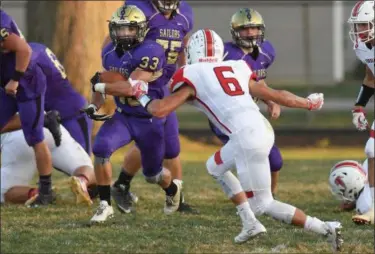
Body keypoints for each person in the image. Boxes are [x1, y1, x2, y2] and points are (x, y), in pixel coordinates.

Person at [129, 29, 343, 251]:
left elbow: (160, 110)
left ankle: (326, 228)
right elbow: (276, 94)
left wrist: (140, 95)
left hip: (245, 139)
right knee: (214, 166)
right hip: (262, 129)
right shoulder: (236, 67)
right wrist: (307, 103)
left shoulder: (191, 74)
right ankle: (248, 222)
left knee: (264, 205)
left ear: (192, 51)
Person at [85, 5, 182, 223]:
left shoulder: (151, 51)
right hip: (124, 115)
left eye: (129, 29)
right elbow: (103, 80)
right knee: (100, 148)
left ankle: (172, 190)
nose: (124, 34)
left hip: (149, 120)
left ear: (141, 29)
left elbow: (131, 87)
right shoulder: (110, 51)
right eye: (119, 29)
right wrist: (94, 105)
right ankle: (104, 204)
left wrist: (100, 87)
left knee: (153, 175)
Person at [106, 0, 196, 213]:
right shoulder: (140, 8)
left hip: (162, 85)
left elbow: (183, 43)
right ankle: (175, 199)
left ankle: (124, 185)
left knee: (169, 145)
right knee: (156, 140)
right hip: (141, 85)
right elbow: (113, 41)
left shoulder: (185, 13)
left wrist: (184, 73)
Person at [209, 8, 283, 195]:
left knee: (275, 160)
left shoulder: (266, 51)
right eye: (244, 29)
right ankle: (248, 195)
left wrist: (270, 101)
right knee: (248, 154)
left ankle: (270, 195)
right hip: (226, 116)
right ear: (235, 32)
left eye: (254, 28)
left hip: (249, 113)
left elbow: (257, 80)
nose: (250, 33)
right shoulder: (224, 54)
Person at [0, 9, 54, 206]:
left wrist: (15, 80)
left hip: (25, 82)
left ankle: (46, 191)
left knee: (34, 137)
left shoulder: (1, 24)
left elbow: (24, 50)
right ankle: (46, 119)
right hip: (6, 82)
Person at [1, 111, 96, 206]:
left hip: (17, 134)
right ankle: (82, 180)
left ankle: (39, 193)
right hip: (49, 123)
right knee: (87, 168)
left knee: (4, 192)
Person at [347, 0, 374, 225]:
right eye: (358, 25)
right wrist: (359, 105)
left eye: (364, 25)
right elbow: (371, 77)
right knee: (362, 205)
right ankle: (371, 205)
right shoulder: (363, 47)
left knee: (372, 147)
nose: (359, 30)